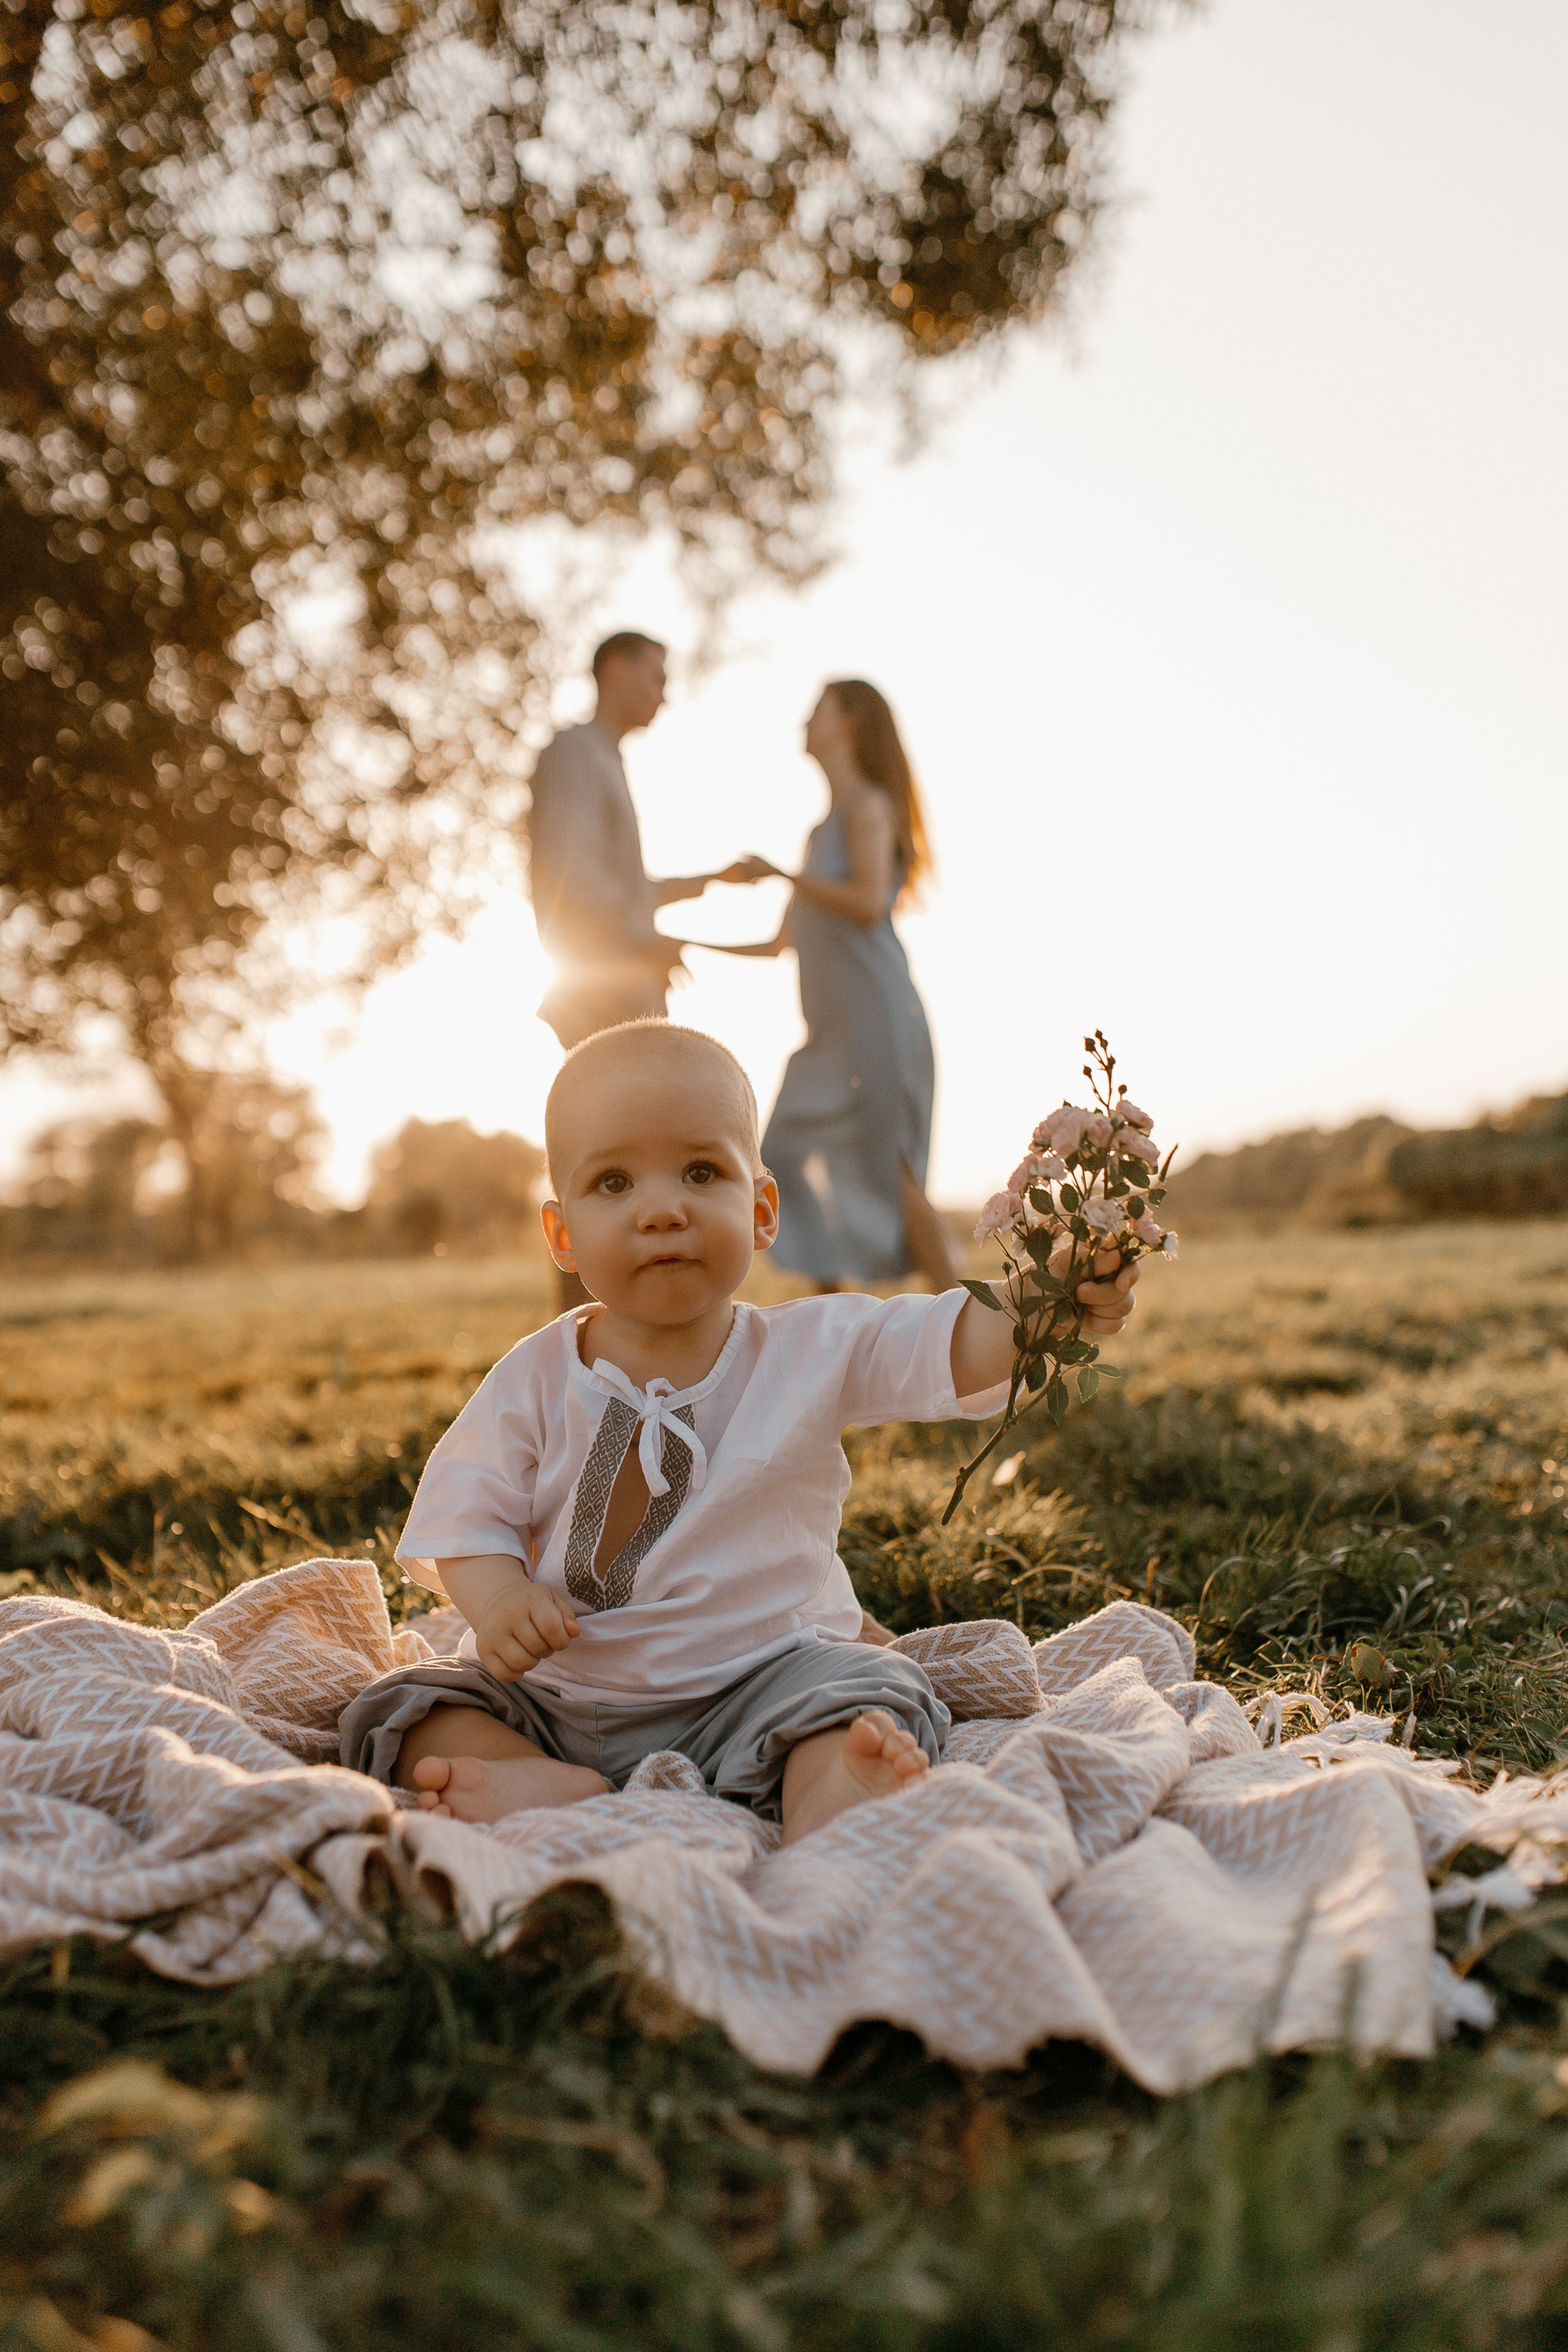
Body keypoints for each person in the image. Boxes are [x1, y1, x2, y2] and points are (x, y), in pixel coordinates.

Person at [339, 1020, 1138, 1844]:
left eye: (699, 1171)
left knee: (867, 1692)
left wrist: (1046, 1299)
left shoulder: (808, 1349)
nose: (661, 1210)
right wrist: (501, 1598)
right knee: (402, 1709)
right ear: (563, 1235)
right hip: (559, 1694)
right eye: (613, 1182)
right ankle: (544, 1780)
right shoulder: (535, 1377)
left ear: (761, 1211)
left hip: (766, 1683)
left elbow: (944, 1343)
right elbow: (465, 1514)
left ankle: (832, 1785)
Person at [709, 679, 956, 1292]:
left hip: (878, 1018)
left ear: (847, 723)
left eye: (816, 709)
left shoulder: (869, 806)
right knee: (785, 1154)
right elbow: (777, 945)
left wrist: (780, 874)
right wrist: (684, 943)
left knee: (889, 1171)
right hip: (829, 1033)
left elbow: (869, 902)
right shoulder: (819, 835)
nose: (803, 720)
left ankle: (980, 1332)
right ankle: (836, 1324)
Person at [526, 630, 718, 1309]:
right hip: (599, 991)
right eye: (655, 674)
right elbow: (573, 876)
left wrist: (703, 882)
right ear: (614, 668)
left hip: (617, 986)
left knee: (620, 1162)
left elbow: (617, 881)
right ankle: (588, 1350)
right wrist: (650, 940)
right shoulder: (575, 753)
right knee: (605, 1166)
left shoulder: (603, 758)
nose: (664, 691)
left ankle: (615, 1342)